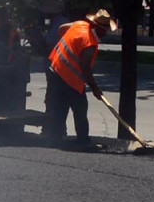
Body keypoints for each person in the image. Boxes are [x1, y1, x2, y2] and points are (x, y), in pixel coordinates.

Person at [44, 8, 115, 147]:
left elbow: (61, 28)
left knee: (60, 107)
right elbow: (85, 69)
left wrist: (69, 43)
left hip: (55, 70)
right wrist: (95, 88)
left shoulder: (79, 24)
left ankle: (54, 139)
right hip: (69, 79)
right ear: (97, 27)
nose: (106, 33)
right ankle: (83, 141)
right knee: (80, 109)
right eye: (104, 30)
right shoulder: (90, 44)